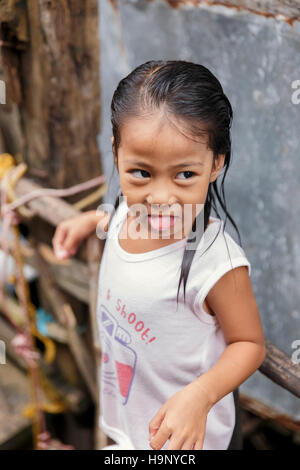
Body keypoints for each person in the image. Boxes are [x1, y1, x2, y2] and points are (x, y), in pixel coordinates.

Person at [52, 60, 266, 450]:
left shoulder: (214, 262)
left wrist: (199, 398)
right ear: (116, 153)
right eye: (141, 173)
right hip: (133, 418)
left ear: (215, 164)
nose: (161, 199)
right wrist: (88, 221)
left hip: (185, 438)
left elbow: (249, 345)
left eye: (185, 174)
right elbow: (114, 219)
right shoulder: (127, 212)